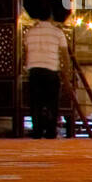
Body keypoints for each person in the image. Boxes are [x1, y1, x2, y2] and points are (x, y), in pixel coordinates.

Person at [23, 8, 68, 140]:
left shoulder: (30, 32)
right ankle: (50, 131)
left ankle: (37, 131)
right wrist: (66, 70)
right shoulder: (57, 32)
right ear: (50, 18)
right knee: (52, 103)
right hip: (51, 71)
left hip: (34, 70)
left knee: (36, 103)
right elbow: (65, 54)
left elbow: (26, 51)